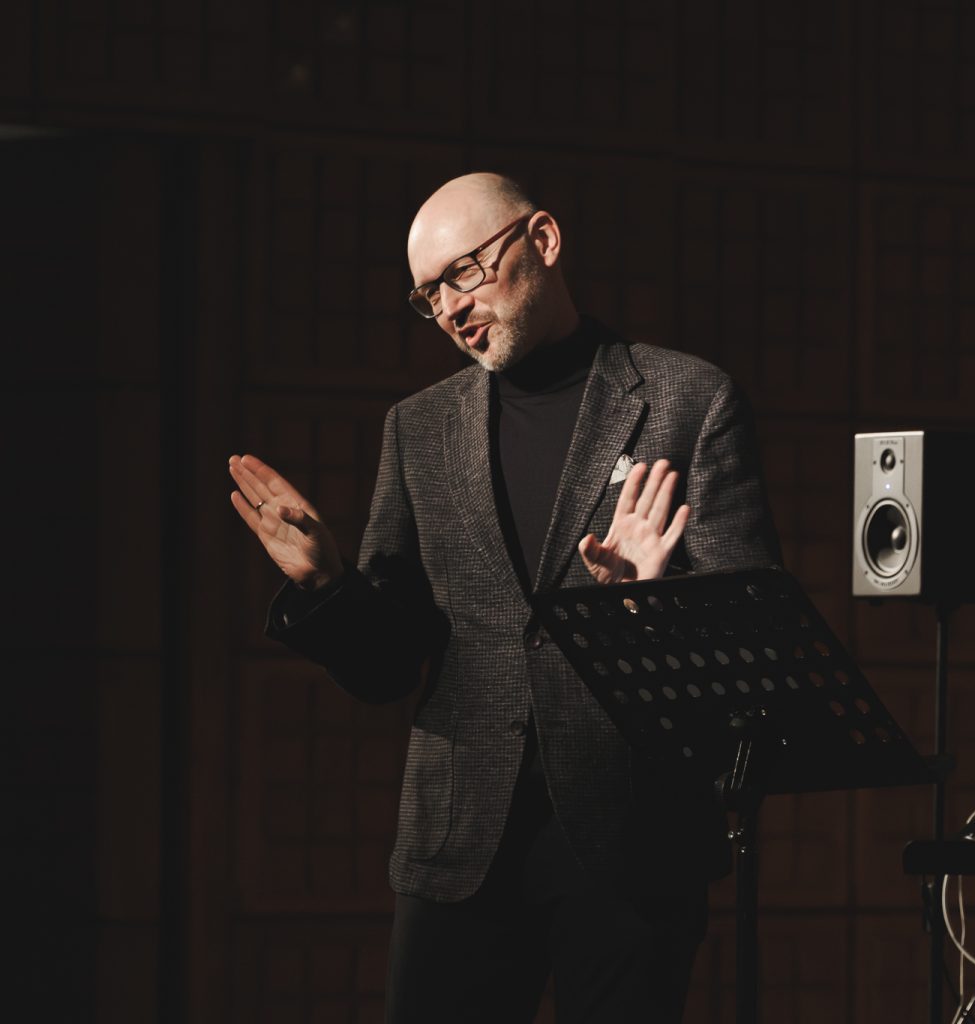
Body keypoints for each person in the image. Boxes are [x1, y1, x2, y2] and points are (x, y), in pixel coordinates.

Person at [228, 172, 779, 1022]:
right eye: (428, 295)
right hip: (459, 838)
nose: (450, 308)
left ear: (543, 241)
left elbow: (753, 650)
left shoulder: (689, 400)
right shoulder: (417, 427)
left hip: (631, 842)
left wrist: (647, 605)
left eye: (464, 272)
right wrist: (329, 585)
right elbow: (388, 667)